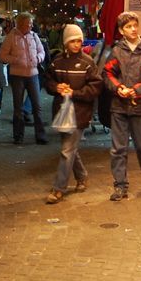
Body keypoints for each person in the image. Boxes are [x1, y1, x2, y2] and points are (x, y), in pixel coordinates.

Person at [102, 11, 141, 201]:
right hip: (119, 107)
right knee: (118, 149)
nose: (133, 29)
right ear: (122, 30)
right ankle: (120, 186)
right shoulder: (116, 51)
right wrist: (118, 88)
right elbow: (107, 74)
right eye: (129, 26)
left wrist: (136, 90)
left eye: (135, 25)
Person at [43, 24, 101, 204]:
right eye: (73, 41)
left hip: (80, 112)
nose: (76, 44)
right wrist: (56, 87)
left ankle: (59, 188)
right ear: (66, 42)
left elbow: (95, 87)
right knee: (70, 149)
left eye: (79, 41)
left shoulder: (87, 62)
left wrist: (74, 93)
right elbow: (48, 80)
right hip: (62, 110)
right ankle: (82, 177)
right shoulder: (57, 61)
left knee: (67, 150)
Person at [0, 12, 48, 145]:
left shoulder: (34, 36)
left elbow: (41, 51)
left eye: (31, 23)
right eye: (29, 23)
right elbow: (2, 55)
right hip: (18, 76)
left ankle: (40, 135)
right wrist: (15, 60)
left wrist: (38, 59)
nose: (31, 25)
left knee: (37, 106)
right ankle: (18, 135)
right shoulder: (11, 37)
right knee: (18, 107)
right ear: (20, 24)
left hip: (33, 75)